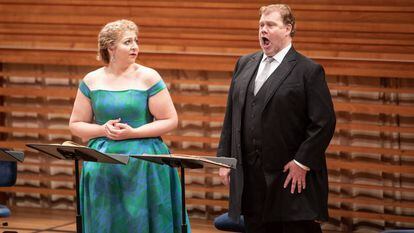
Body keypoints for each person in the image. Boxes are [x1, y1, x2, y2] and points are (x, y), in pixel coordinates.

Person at [217, 4, 336, 233]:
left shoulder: (308, 70)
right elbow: (231, 117)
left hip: (289, 178)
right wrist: (225, 160)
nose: (263, 30)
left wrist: (302, 162)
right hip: (251, 180)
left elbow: (324, 122)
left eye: (270, 25)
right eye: (261, 25)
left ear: (288, 29)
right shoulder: (244, 63)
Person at [69, 19, 189, 233]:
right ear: (111, 47)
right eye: (127, 42)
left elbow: (170, 120)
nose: (135, 46)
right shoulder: (91, 80)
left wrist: (134, 132)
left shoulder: (148, 76)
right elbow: (76, 125)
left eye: (136, 41)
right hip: (103, 164)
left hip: (144, 162)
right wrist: (102, 129)